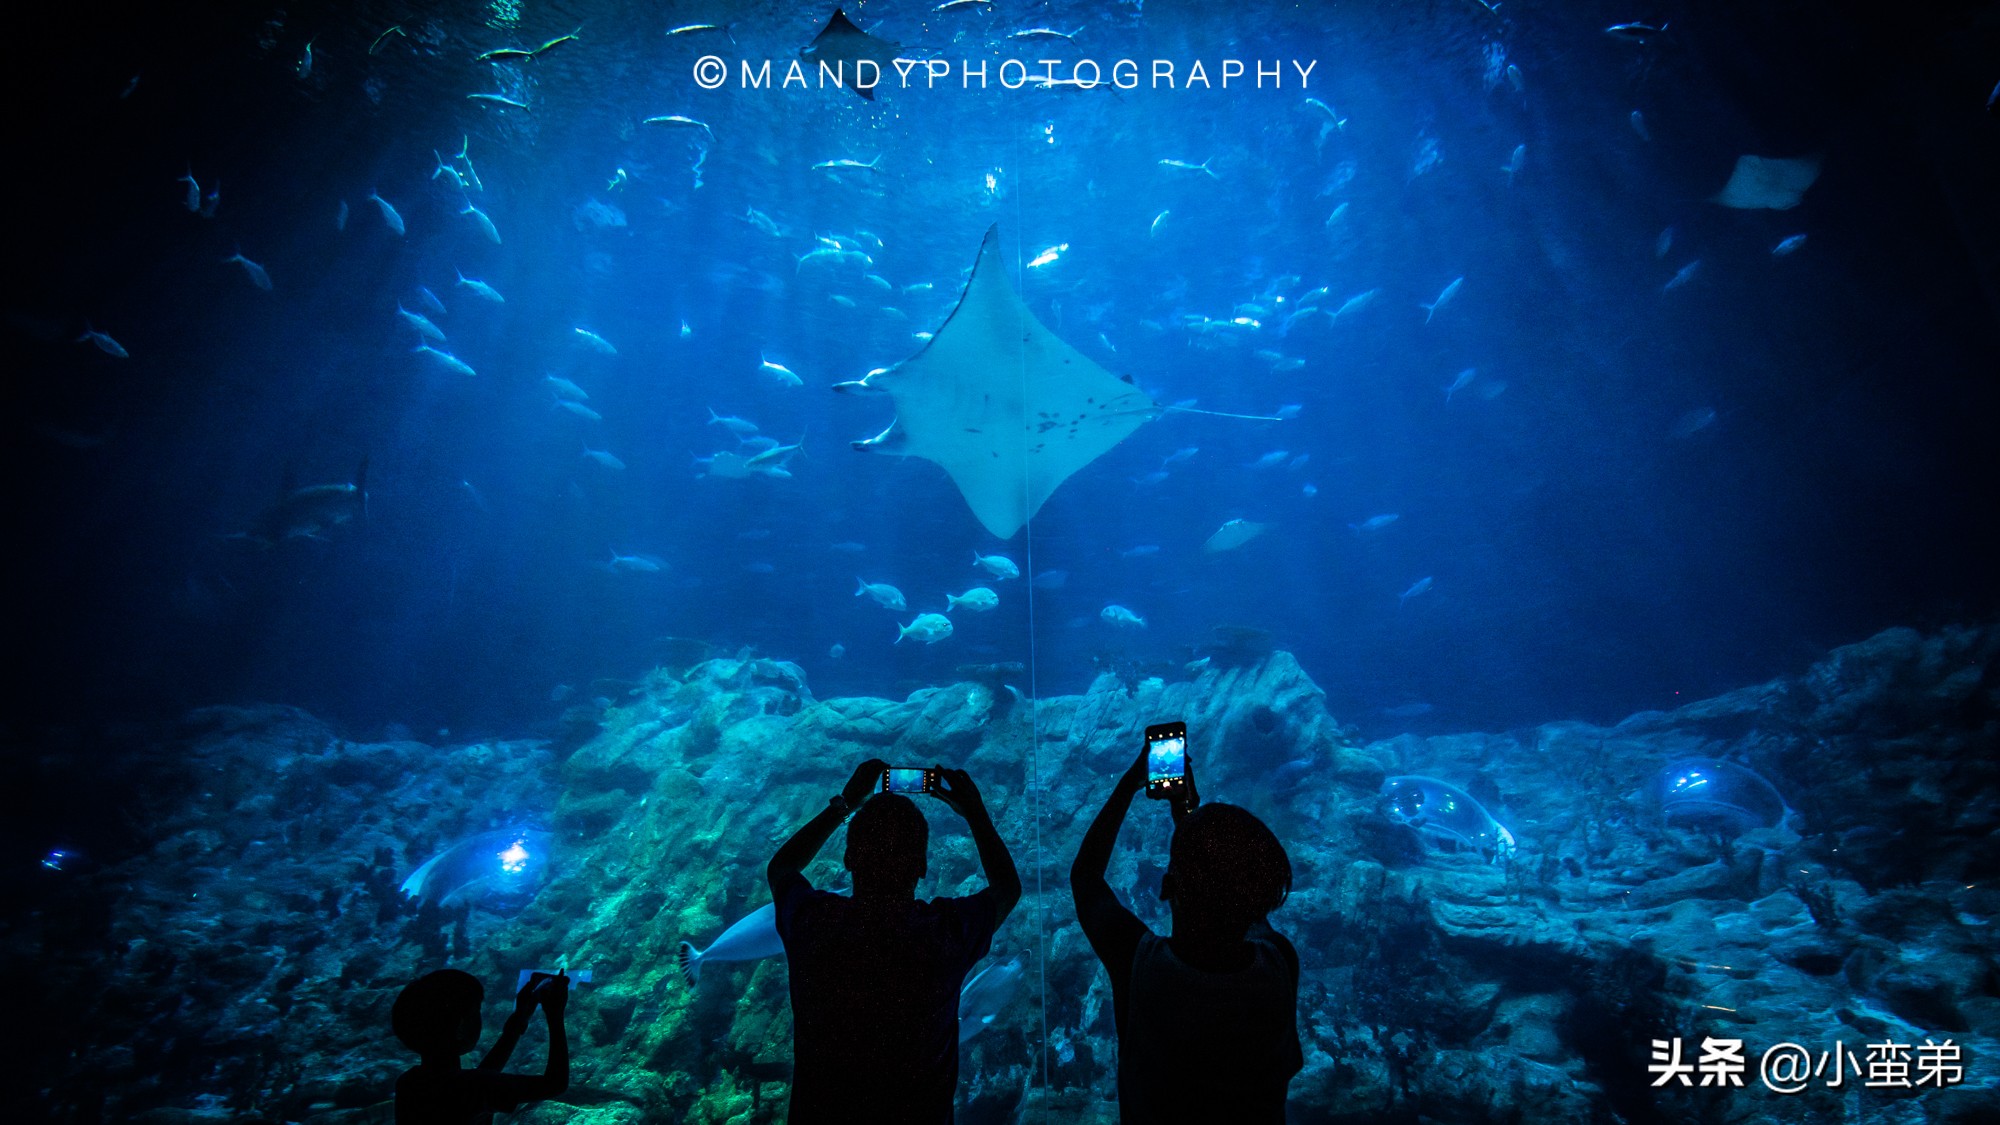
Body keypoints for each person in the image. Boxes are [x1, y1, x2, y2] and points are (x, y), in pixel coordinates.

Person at [767, 758, 1022, 1123]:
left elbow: (781, 868)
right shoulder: (942, 935)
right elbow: (1007, 888)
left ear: (849, 858)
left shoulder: (814, 923)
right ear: (921, 866)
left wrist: (846, 804)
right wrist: (975, 814)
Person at [1070, 742, 1302, 1124]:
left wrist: (1129, 784)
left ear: (1165, 886)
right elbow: (1242, 900)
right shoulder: (1279, 964)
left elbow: (1085, 879)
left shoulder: (1143, 967)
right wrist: (1187, 816)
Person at [390, 967, 569, 1124]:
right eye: (476, 1011)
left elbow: (483, 1077)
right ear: (460, 1026)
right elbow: (555, 1083)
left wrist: (520, 1017)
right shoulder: (471, 1087)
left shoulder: (409, 1084)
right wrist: (555, 1016)